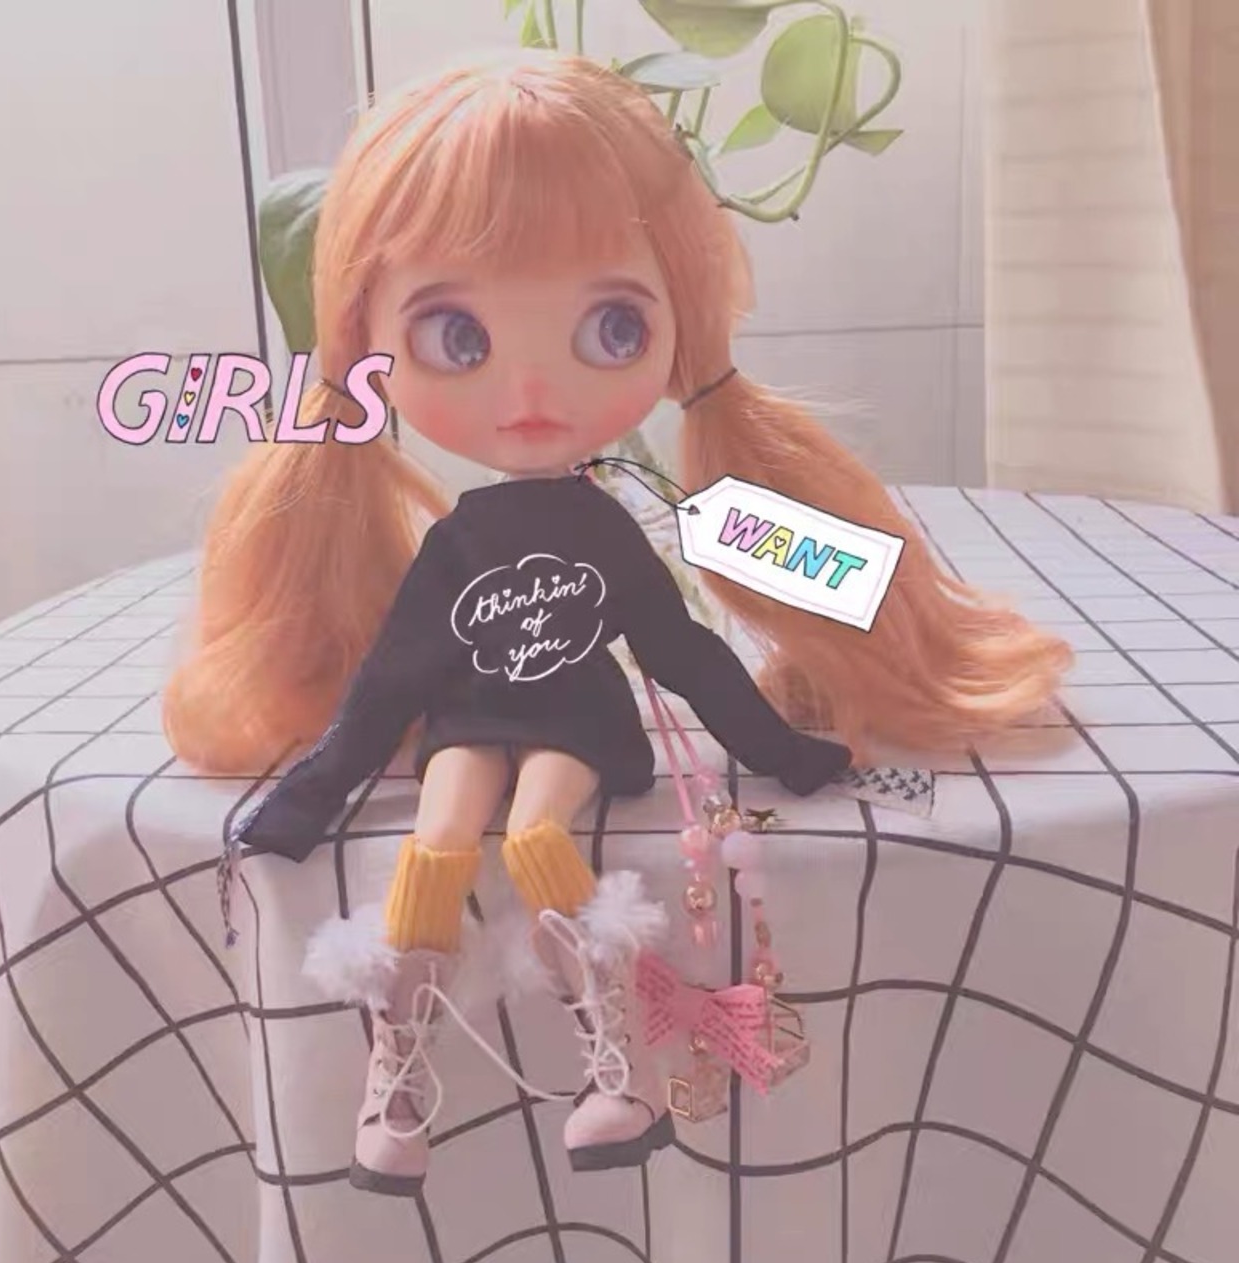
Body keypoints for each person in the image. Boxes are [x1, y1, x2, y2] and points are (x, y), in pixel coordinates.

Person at [163, 47, 1071, 1197]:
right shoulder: (457, 543)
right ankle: (397, 1068)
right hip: (466, 722)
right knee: (439, 833)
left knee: (534, 834)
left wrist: (778, 748)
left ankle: (618, 1068)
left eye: (609, 328)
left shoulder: (630, 520)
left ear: (677, 325)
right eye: (457, 337)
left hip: (578, 725)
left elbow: (682, 652)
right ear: (365, 342)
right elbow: (389, 682)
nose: (529, 392)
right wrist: (308, 795)